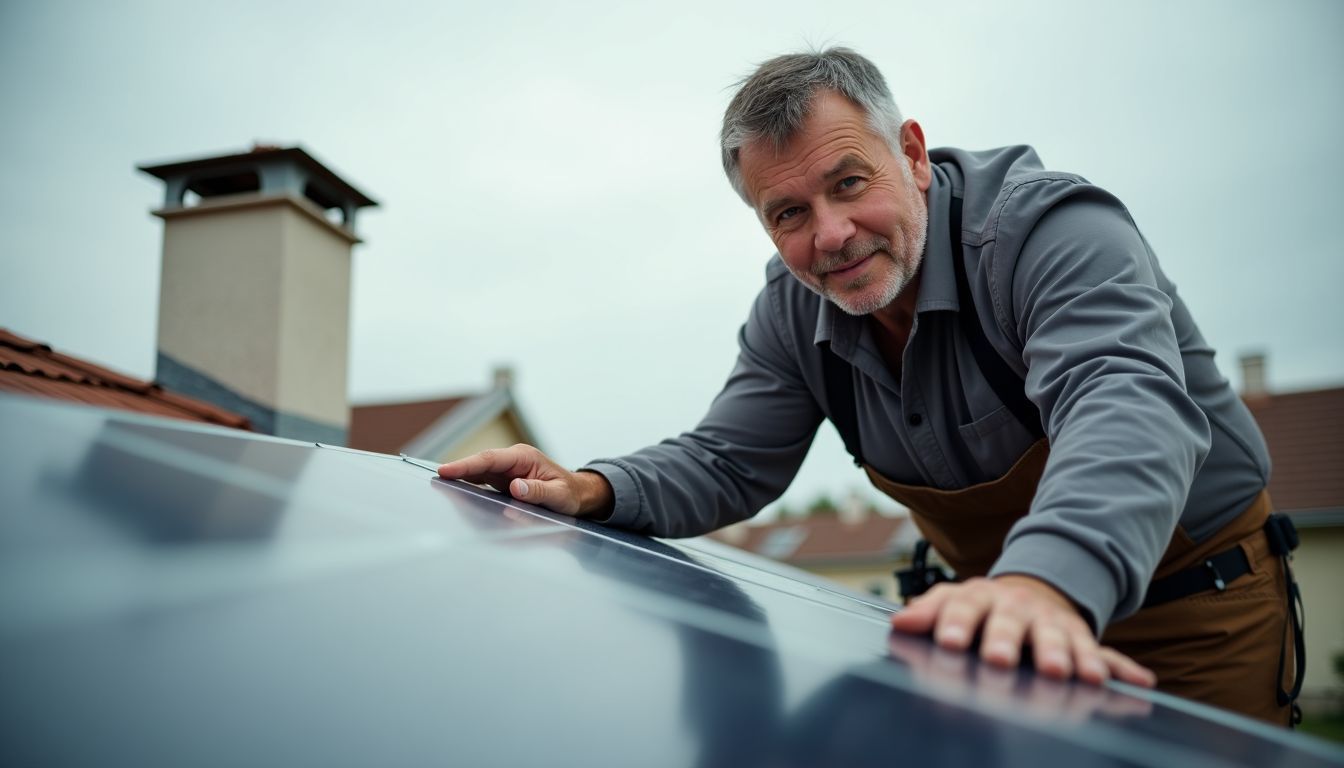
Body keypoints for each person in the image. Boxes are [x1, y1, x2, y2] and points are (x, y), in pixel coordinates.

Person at [439, 47, 1301, 725]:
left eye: (848, 184)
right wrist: (588, 488)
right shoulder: (790, 309)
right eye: (788, 214)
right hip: (998, 630)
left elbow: (1126, 405)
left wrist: (1046, 585)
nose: (832, 236)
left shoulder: (1055, 233)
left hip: (1194, 617)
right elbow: (727, 459)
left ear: (913, 154)